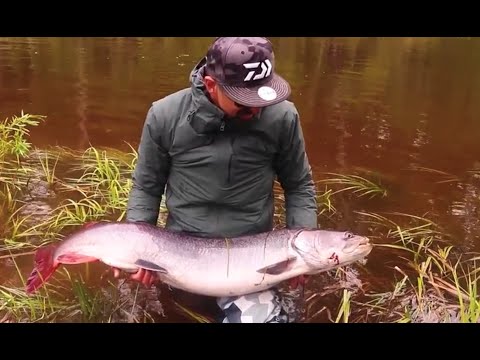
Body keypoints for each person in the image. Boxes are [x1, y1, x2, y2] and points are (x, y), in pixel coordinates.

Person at [121, 37, 318, 323]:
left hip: (254, 258)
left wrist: (302, 247)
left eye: (262, 97)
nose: (257, 111)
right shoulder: (164, 115)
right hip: (180, 255)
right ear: (212, 85)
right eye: (245, 103)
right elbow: (146, 186)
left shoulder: (283, 117)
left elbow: (299, 185)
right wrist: (136, 249)